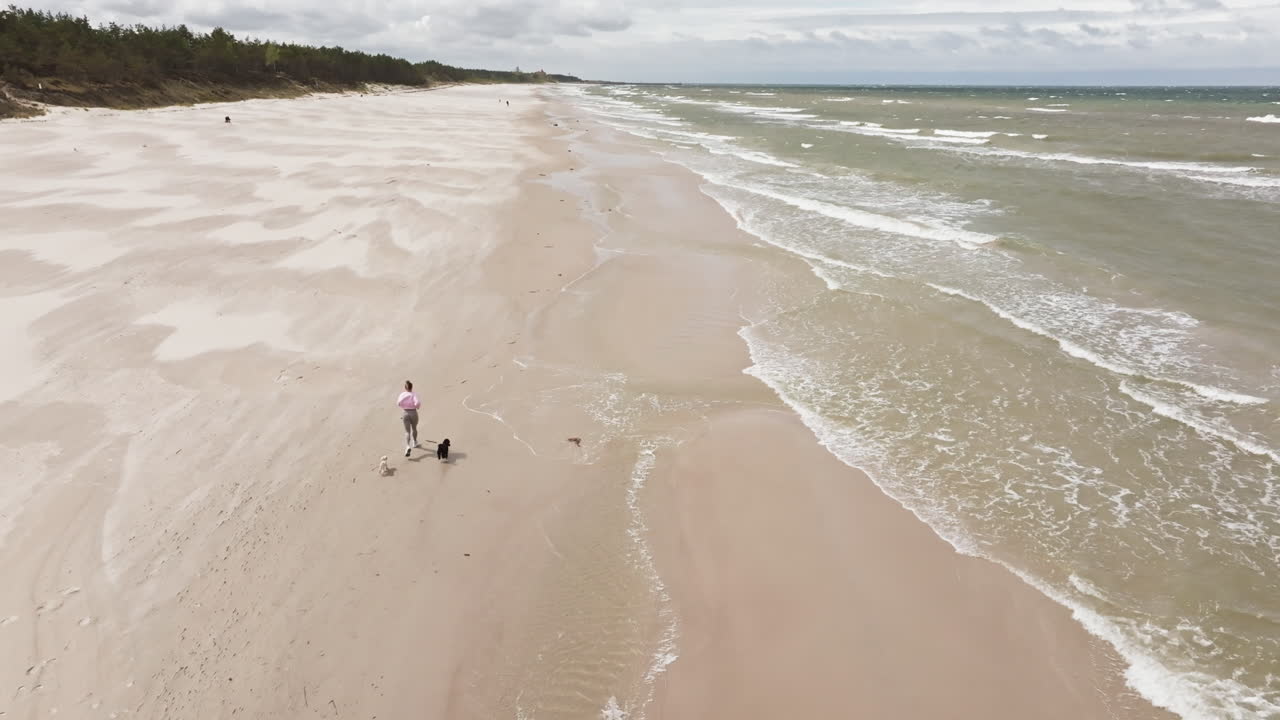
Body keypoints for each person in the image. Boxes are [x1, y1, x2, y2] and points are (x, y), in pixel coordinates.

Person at [398, 380, 421, 457]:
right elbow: (417, 403)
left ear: (405, 387)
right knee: (414, 428)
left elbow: (398, 403)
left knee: (407, 431)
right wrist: (417, 407)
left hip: (405, 413)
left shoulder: (402, 394)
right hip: (413, 412)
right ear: (412, 387)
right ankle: (415, 442)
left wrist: (403, 406)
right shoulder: (414, 394)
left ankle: (408, 446)